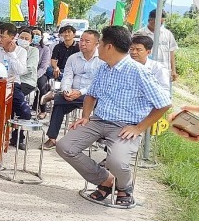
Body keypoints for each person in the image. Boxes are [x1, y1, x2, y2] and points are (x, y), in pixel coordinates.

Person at [57, 26, 171, 206]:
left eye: (100, 43)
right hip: (98, 120)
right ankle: (105, 180)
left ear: (109, 46)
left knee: (116, 160)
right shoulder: (104, 68)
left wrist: (139, 128)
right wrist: (86, 116)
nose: (98, 47)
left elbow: (164, 103)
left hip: (125, 126)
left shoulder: (138, 71)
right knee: (65, 146)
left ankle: (124, 187)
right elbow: (91, 94)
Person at [42, 30, 104, 150]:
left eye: (87, 41)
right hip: (72, 93)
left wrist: (80, 92)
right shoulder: (73, 58)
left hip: (92, 95)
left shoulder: (102, 60)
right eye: (81, 40)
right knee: (59, 104)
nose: (82, 44)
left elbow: (98, 84)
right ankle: (52, 138)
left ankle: (55, 95)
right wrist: (66, 90)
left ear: (97, 43)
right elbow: (67, 76)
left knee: (60, 99)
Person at [0, 22, 32, 149]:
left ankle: (17, 137)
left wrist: (12, 54)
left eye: (2, 37)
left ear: (12, 37)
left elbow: (20, 71)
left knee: (25, 112)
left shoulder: (21, 51)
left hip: (12, 84)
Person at [135, 9, 179, 82]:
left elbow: (171, 53)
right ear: (150, 20)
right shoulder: (140, 34)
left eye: (162, 23)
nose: (160, 25)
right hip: (145, 72)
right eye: (158, 23)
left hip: (164, 73)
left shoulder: (167, 34)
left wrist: (173, 70)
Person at [32, 28, 52, 118]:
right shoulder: (25, 47)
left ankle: (43, 110)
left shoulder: (45, 49)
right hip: (24, 73)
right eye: (34, 33)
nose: (35, 36)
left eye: (38, 34)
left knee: (42, 85)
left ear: (41, 36)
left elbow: (44, 67)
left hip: (39, 73)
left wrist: (35, 76)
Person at [16, 28, 40, 98]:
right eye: (21, 38)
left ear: (31, 41)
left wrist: (17, 71)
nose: (23, 40)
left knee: (15, 95)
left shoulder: (34, 51)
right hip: (12, 79)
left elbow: (30, 67)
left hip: (26, 81)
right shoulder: (14, 49)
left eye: (26, 39)